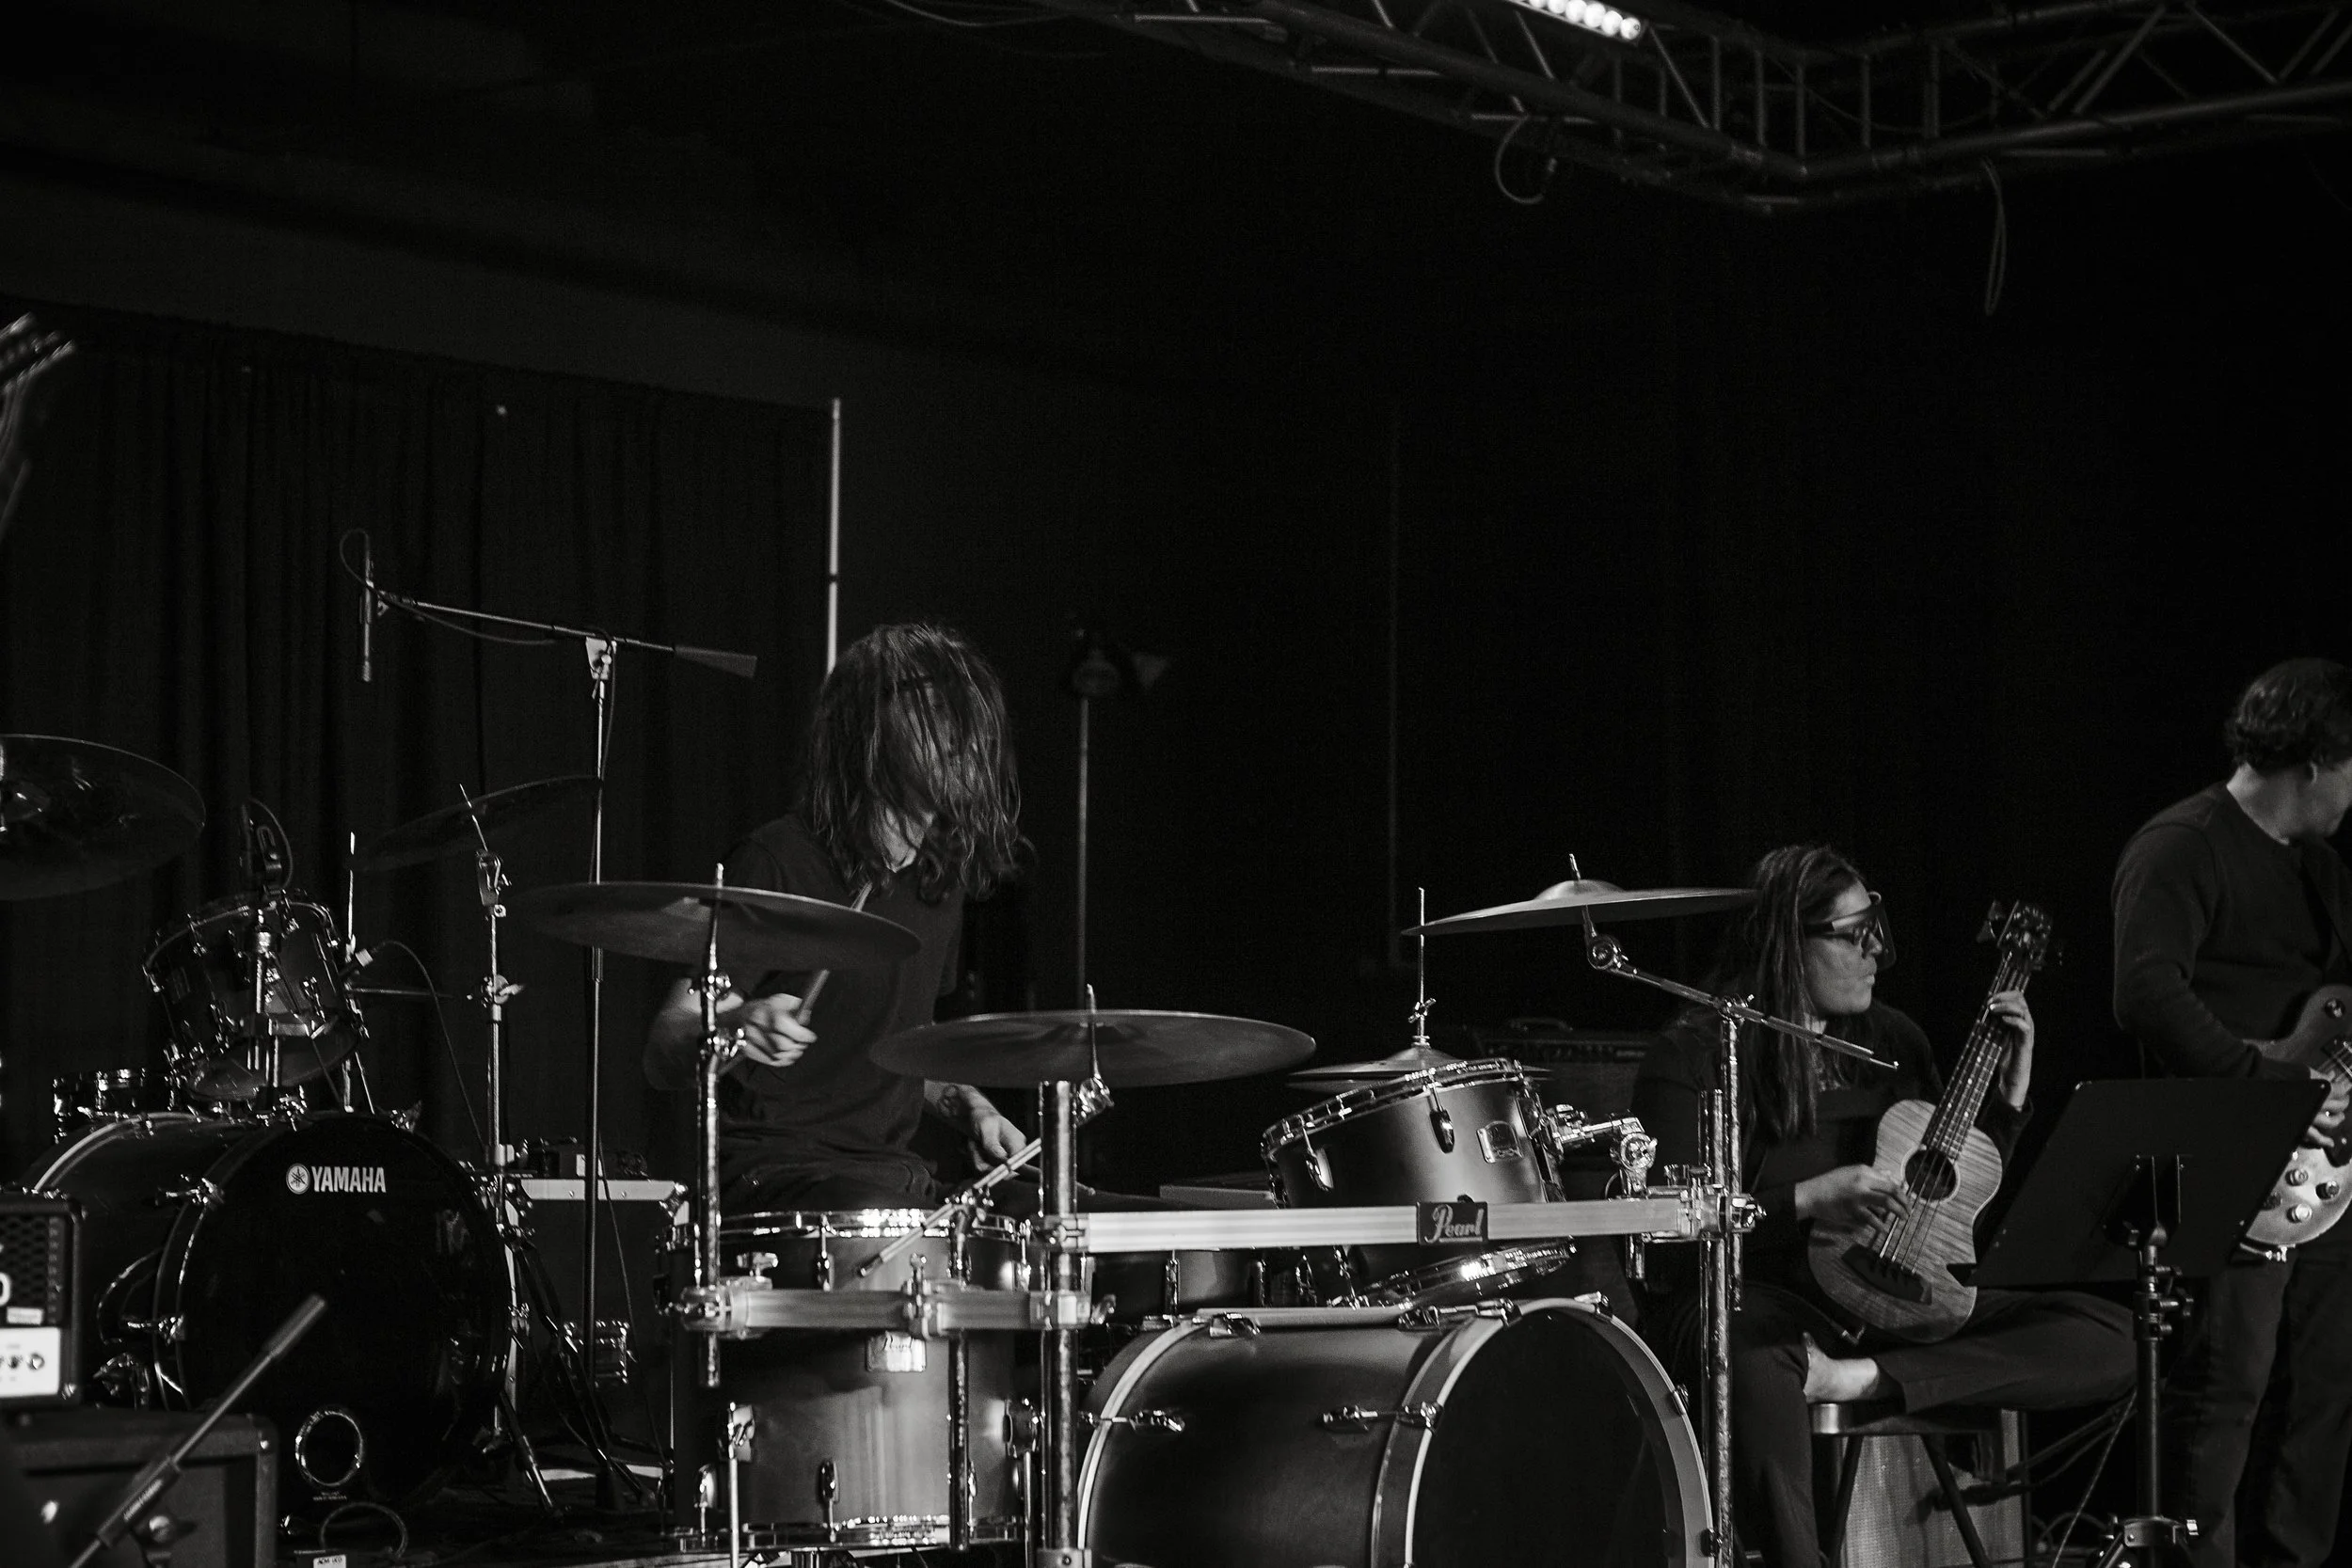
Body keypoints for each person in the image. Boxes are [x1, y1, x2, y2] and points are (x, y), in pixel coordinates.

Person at [1632, 844, 2134, 1568]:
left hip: (1887, 1303)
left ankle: (1862, 1379)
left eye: (1878, 929)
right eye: (1853, 933)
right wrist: (1804, 1201)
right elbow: (1670, 1231)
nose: (1875, 952)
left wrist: (2011, 1104)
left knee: (2116, 1332)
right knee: (1747, 1357)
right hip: (1764, 1297)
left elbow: (1949, 1193)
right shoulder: (1697, 1052)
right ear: (1787, 941)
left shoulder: (1894, 1041)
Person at [644, 622, 1027, 1210]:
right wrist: (740, 1022)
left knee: (1064, 1216)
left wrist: (965, 1103)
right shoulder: (779, 860)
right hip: (773, 1172)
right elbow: (665, 1046)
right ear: (872, 730)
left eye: (967, 718)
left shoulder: (937, 883)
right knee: (883, 1204)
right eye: (937, 715)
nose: (963, 739)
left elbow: (886, 1058)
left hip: (891, 1172)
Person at [2113, 657, 2352, 1568]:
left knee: (2325, 1386)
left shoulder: (2321, 871)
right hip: (2225, 1157)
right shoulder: (2181, 844)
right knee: (2224, 1389)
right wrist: (2264, 1095)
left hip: (2322, 1164)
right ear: (2317, 761)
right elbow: (2143, 993)